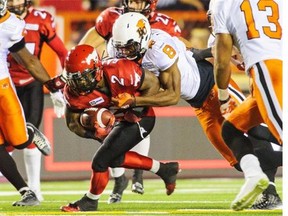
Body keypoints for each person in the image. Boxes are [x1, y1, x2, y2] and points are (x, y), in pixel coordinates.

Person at [110, 11, 282, 207]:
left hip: (214, 88)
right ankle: (270, 194)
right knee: (237, 159)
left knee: (256, 133)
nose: (125, 52)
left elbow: (173, 95)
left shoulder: (159, 49)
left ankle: (270, 192)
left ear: (143, 38)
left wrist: (132, 101)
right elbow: (185, 47)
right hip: (200, 105)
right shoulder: (128, 49)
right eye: (120, 48)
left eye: (129, 46)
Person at [77, 0, 181, 203]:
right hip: (123, 86)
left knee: (105, 155)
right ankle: (161, 170)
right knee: (111, 149)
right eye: (131, 1)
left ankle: (95, 199)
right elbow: (86, 48)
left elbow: (169, 90)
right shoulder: (112, 27)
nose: (123, 51)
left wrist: (134, 100)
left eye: (139, 1)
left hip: (143, 90)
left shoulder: (159, 43)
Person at [60, 44, 180, 212]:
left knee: (101, 161)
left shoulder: (121, 69)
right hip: (116, 122)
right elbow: (72, 123)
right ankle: (165, 170)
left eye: (83, 77)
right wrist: (94, 133)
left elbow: (153, 84)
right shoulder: (73, 92)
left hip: (140, 118)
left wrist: (136, 106)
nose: (79, 84)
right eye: (74, 79)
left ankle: (90, 201)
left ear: (97, 68)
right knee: (113, 158)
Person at [210, 0, 282, 211]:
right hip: (272, 66)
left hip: (268, 67)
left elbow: (222, 61)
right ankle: (254, 176)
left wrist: (223, 97)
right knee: (231, 128)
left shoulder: (222, 3)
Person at [0, 0, 65, 206]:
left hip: (2, 88)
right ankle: (27, 192)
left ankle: (29, 133)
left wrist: (52, 87)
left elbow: (29, 61)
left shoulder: (9, 25)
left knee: (19, 141)